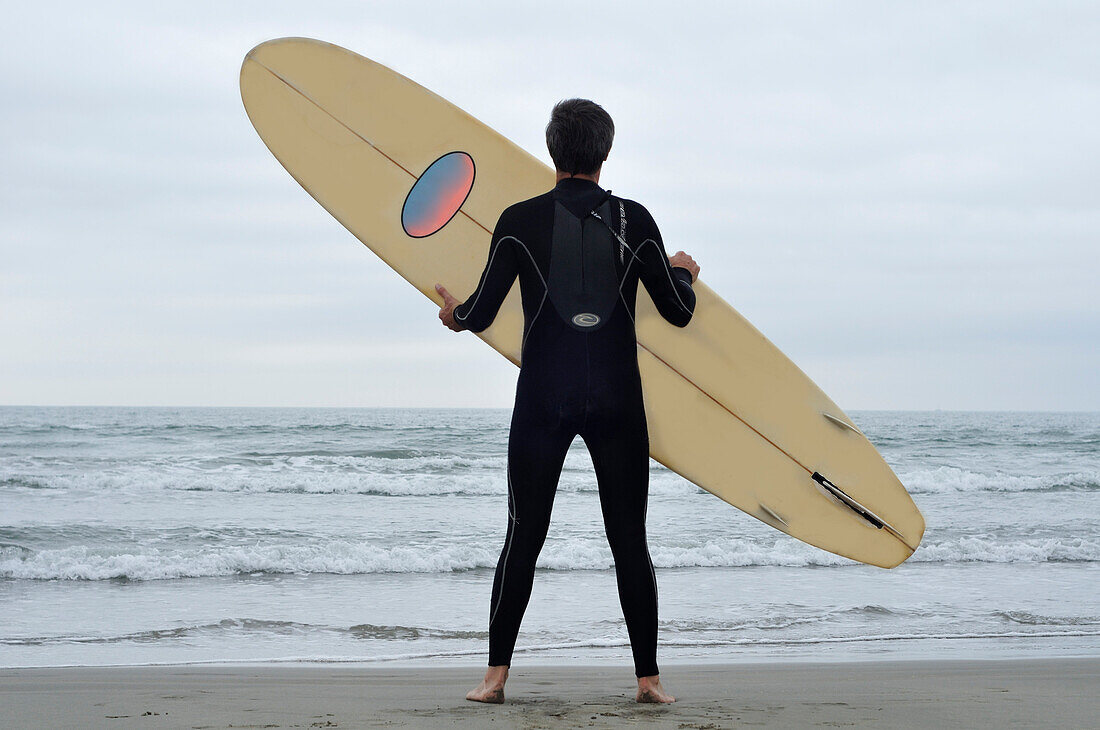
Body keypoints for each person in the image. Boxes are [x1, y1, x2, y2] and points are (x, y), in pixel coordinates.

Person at [434, 99, 699, 705]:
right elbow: (679, 313)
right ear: (605, 152)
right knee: (629, 537)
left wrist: (451, 315)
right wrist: (682, 271)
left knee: (523, 533)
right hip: (617, 401)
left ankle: (494, 680)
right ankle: (649, 682)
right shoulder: (636, 221)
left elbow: (478, 312)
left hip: (543, 400)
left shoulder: (518, 220)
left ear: (553, 150)